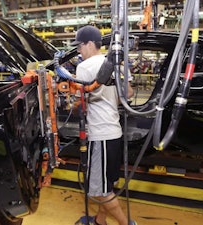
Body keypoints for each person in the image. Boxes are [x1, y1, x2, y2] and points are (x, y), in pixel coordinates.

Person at [71, 25, 135, 225]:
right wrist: (108, 101)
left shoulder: (84, 67)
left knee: (100, 190)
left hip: (100, 135)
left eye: (80, 46)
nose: (79, 51)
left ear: (89, 44)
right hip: (114, 132)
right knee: (106, 184)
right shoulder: (117, 62)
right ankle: (100, 221)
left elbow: (78, 102)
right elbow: (130, 94)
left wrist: (74, 104)